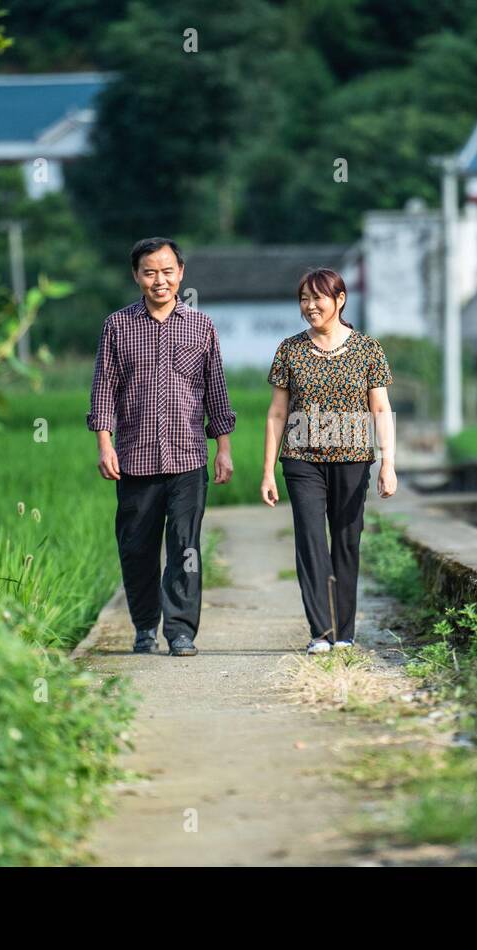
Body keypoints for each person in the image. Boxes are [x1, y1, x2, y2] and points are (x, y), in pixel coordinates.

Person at [87, 237, 236, 657]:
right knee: (136, 546)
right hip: (133, 458)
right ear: (136, 276)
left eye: (167, 270)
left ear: (181, 273)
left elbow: (216, 393)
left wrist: (222, 448)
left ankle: (181, 630)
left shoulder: (201, 326)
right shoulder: (117, 325)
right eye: (150, 272)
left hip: (188, 456)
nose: (160, 280)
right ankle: (144, 626)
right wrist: (104, 444)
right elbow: (104, 390)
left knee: (185, 546)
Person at [260, 268, 397, 655]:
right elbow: (276, 414)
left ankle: (345, 631)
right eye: (303, 298)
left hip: (353, 460)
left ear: (339, 300)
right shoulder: (290, 349)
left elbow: (381, 409)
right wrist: (268, 470)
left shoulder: (368, 349)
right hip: (301, 460)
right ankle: (321, 631)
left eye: (317, 297)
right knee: (310, 540)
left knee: (347, 543)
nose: (309, 305)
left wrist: (387, 464)